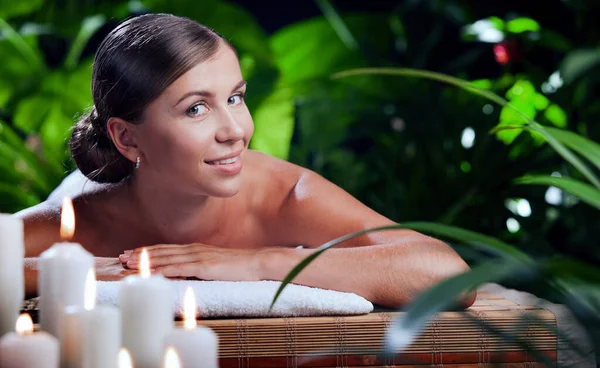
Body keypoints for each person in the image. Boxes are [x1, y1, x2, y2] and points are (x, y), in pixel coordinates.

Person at [15, 13, 474, 309]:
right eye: (196, 108)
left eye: (235, 97)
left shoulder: (286, 196)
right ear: (126, 137)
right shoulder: (84, 214)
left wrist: (257, 262)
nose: (236, 130)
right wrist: (77, 268)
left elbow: (449, 275)